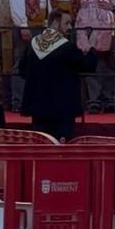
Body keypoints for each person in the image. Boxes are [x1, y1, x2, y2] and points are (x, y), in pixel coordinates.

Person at [18, 9, 97, 141]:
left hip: (38, 107)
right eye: (66, 23)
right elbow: (86, 66)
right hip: (62, 109)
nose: (70, 27)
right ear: (55, 23)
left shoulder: (33, 44)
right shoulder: (67, 47)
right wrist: (91, 50)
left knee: (40, 143)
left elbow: (22, 70)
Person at [9, 0, 50, 111]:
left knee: (39, 62)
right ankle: (18, 100)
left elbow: (45, 3)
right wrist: (23, 25)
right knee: (21, 61)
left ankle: (35, 98)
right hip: (27, 25)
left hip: (40, 24)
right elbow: (17, 2)